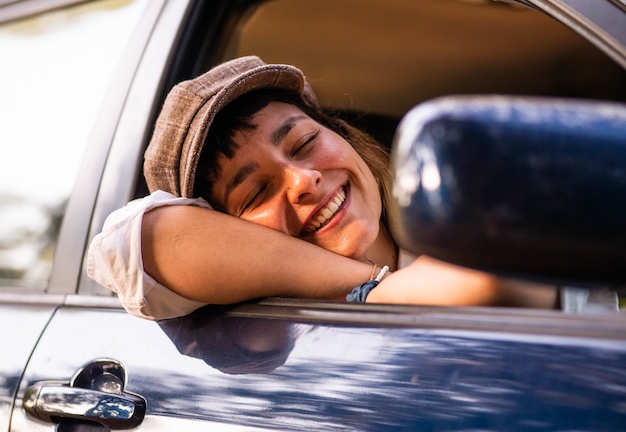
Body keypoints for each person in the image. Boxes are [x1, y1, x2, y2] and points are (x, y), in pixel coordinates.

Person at [87, 56, 618, 320]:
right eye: (254, 194)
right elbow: (138, 239)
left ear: (344, 137)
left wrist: (375, 287)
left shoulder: (454, 229)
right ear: (226, 237)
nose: (304, 180)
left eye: (302, 144)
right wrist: (372, 290)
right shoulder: (262, 328)